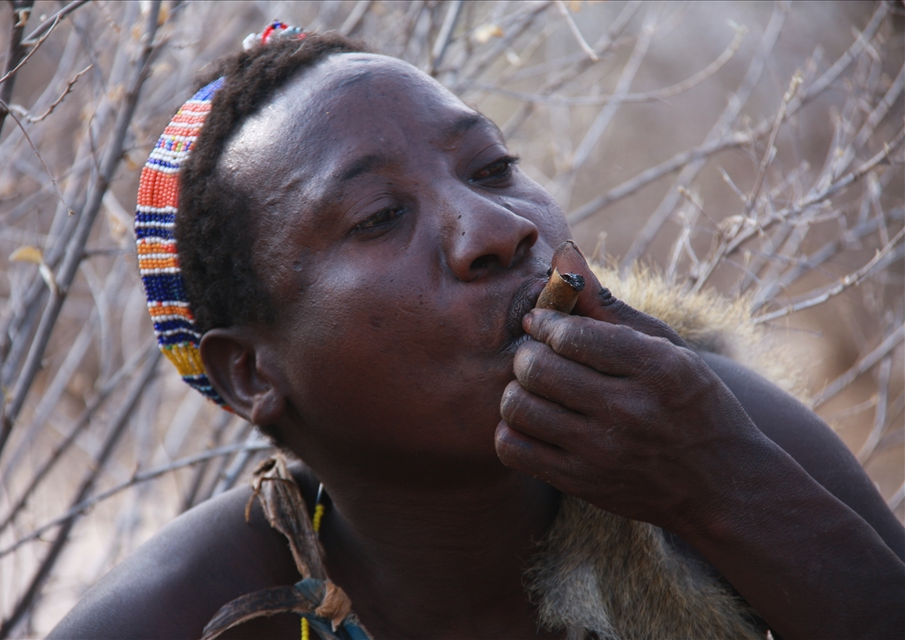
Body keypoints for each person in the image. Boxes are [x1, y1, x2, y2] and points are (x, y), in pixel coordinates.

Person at [50, 25, 905, 640]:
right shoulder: (181, 616)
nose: (498, 229)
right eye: (381, 216)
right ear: (250, 374)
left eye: (493, 169)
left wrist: (724, 488)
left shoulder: (712, 434)